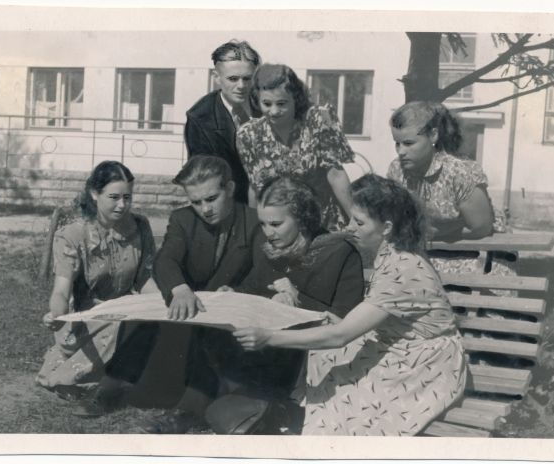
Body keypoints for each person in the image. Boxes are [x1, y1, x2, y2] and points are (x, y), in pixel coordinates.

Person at [233, 174, 467, 436]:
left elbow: (340, 336)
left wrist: (268, 337)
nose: (349, 227)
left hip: (425, 362)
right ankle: (314, 426)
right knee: (325, 359)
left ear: (387, 227)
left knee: (358, 399)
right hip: (399, 344)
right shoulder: (393, 255)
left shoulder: (404, 268)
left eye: (358, 221)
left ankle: (330, 438)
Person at [204, 177, 364, 434]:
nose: (268, 232)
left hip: (312, 355)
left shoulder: (339, 252)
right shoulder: (269, 248)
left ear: (303, 220)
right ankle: (253, 407)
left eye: (276, 224)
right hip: (272, 355)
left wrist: (297, 298)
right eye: (263, 224)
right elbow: (254, 286)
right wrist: (232, 293)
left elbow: (345, 320)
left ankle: (267, 410)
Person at [138, 155, 262, 433]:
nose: (204, 209)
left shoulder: (254, 221)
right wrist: (179, 287)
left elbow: (262, 271)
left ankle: (199, 407)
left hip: (237, 314)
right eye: (196, 202)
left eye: (211, 198)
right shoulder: (182, 220)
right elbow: (165, 259)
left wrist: (240, 292)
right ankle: (195, 405)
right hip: (193, 313)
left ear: (229, 188)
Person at [36, 160, 158, 413]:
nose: (122, 205)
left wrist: (161, 305)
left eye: (127, 197)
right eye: (114, 197)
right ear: (94, 193)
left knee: (154, 321)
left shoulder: (141, 227)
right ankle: (64, 376)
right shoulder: (72, 234)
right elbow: (61, 289)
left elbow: (144, 279)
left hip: (123, 310)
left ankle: (105, 376)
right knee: (125, 323)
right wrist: (56, 314)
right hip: (82, 320)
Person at [386, 100, 516, 278]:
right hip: (427, 247)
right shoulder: (397, 170)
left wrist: (438, 231)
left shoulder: (460, 172)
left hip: (478, 249)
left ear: (433, 136)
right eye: (397, 143)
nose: (400, 151)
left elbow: (481, 228)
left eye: (409, 143)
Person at [236, 63, 355, 231]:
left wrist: (356, 221)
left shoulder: (318, 120)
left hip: (325, 221)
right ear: (257, 100)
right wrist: (254, 230)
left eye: (282, 103)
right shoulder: (249, 135)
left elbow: (336, 175)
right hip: (280, 226)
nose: (274, 111)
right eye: (267, 104)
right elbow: (256, 188)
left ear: (296, 98)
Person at [184, 40, 261, 204]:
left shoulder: (270, 106)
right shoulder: (200, 119)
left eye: (247, 79)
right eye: (233, 79)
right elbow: (203, 179)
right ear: (216, 78)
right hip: (229, 208)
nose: (241, 86)